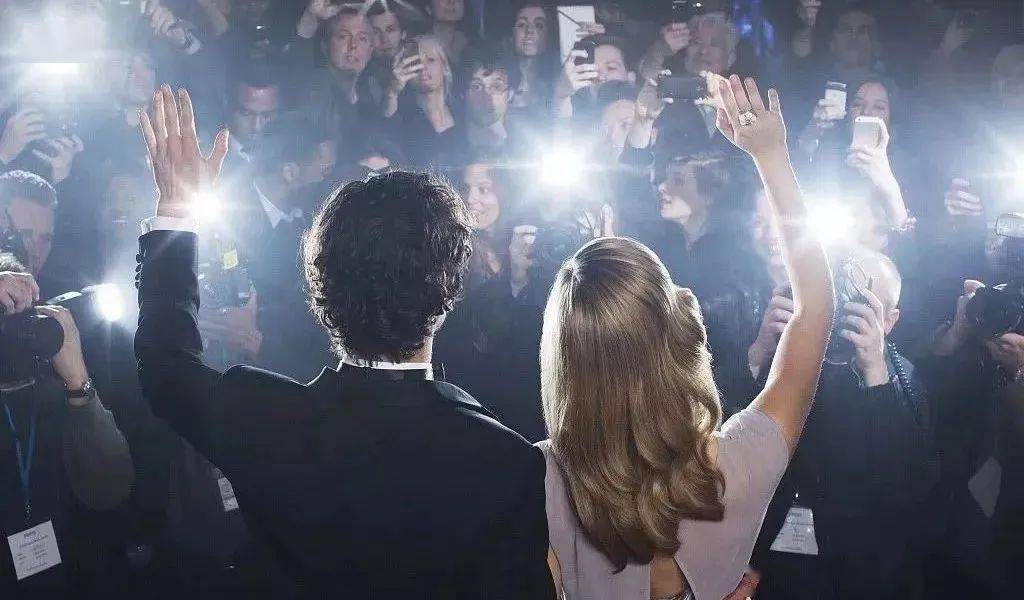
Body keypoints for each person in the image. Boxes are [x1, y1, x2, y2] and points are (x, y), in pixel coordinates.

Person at [134, 85, 554, 598]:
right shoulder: (505, 463)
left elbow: (165, 365)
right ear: (447, 292)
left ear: (321, 286)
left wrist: (176, 213)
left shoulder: (263, 417)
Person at [538, 76, 834, 600]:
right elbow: (814, 307)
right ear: (674, 333)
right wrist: (772, 157)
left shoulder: (541, 483)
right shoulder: (738, 466)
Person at [749, 250, 939, 600]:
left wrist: (876, 375)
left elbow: (907, 486)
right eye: (838, 295)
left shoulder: (902, 377)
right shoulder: (789, 362)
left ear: (889, 321)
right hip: (775, 562)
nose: (843, 310)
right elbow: (732, 440)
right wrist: (760, 351)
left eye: (860, 302)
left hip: (857, 571)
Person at [0, 254, 134, 596]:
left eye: (23, 316)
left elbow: (109, 489)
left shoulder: (57, 395)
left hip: (68, 578)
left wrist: (78, 380)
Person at [383, 34, 456, 169]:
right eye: (415, 63)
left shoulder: (463, 111)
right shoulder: (403, 119)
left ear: (445, 66)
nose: (423, 67)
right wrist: (392, 92)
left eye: (431, 60)